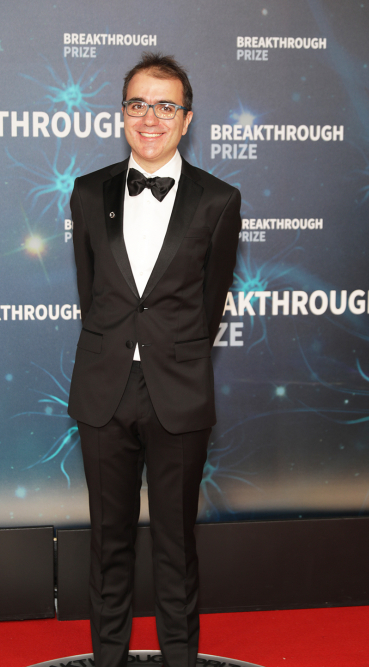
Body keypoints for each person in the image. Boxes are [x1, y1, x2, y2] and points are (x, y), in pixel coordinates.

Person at [67, 52, 242, 667]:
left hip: (179, 392)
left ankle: (180, 660)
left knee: (176, 545)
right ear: (122, 114)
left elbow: (210, 302)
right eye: (138, 103)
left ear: (186, 119)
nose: (150, 117)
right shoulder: (87, 193)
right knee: (107, 544)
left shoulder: (220, 200)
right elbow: (92, 293)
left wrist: (168, 352)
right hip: (102, 391)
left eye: (165, 106)